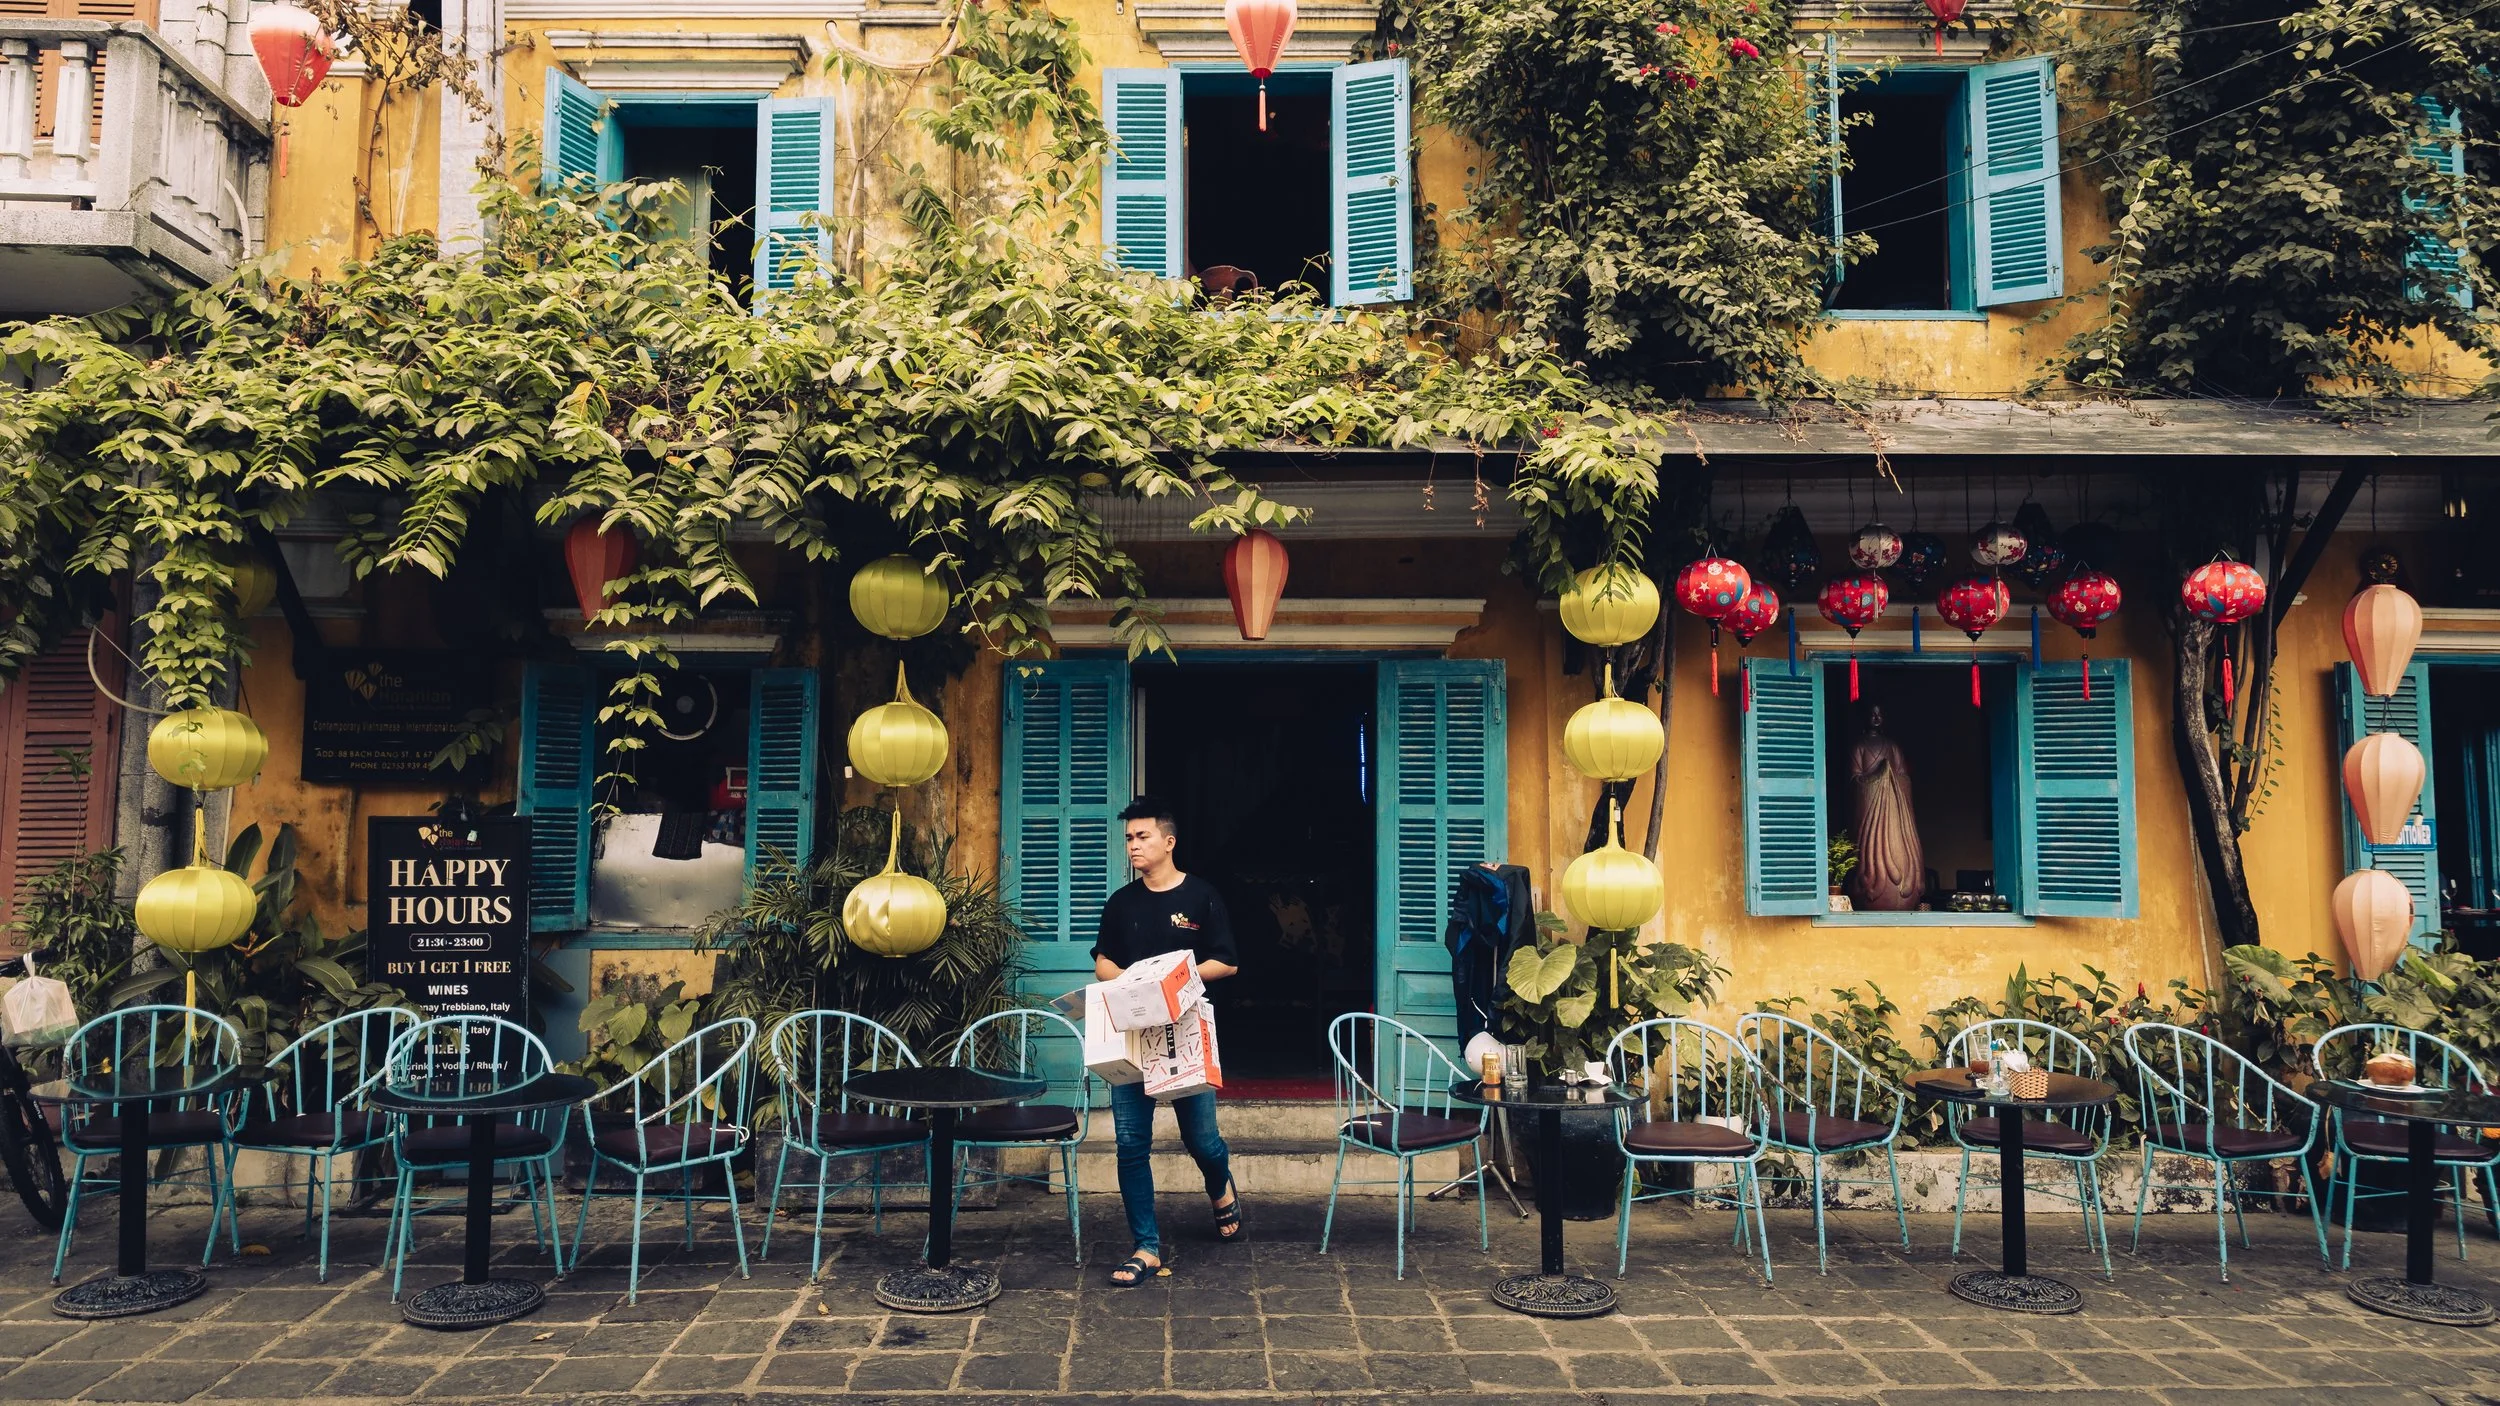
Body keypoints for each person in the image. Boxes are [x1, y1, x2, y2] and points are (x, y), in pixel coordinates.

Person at [1093, 796, 1241, 1285]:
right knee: (1131, 1143)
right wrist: (1134, 985)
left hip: (1184, 1033)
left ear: (1168, 841)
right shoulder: (1121, 902)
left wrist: (1172, 983)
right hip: (1131, 1036)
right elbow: (1104, 963)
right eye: (1129, 838)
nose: (1133, 846)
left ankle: (1219, 1186)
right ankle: (1146, 1247)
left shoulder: (1201, 897)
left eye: (1142, 837)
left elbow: (1226, 961)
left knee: (1201, 1140)